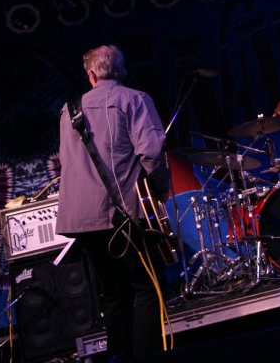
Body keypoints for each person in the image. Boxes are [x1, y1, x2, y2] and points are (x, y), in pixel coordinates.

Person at [56, 44, 169, 359]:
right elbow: (152, 152)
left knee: (113, 293)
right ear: (122, 70)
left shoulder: (69, 110)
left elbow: (67, 159)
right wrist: (160, 189)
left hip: (82, 219)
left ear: (91, 74)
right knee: (148, 288)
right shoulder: (133, 99)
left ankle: (119, 356)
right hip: (124, 213)